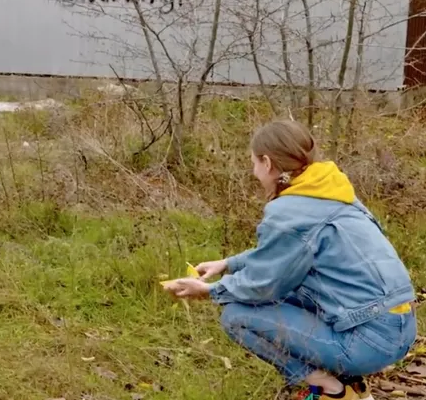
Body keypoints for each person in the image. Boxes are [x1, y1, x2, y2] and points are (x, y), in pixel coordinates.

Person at [162, 120, 417, 400]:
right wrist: (228, 264)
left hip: (368, 341)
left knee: (236, 315)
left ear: (268, 163)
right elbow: (288, 253)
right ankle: (354, 384)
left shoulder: (289, 210)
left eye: (254, 163)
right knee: (292, 290)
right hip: (400, 328)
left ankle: (331, 389)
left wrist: (211, 291)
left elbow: (263, 284)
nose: (253, 172)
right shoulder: (329, 188)